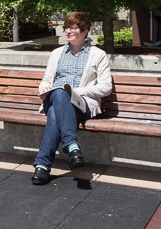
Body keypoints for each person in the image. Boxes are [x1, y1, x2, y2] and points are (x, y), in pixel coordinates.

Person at [31, 11, 112, 185]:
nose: (68, 31)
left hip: (82, 104)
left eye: (73, 27)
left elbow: (106, 87)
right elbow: (47, 79)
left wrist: (76, 91)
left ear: (85, 31)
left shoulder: (98, 54)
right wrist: (44, 87)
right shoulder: (57, 53)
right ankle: (72, 146)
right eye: (66, 27)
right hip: (55, 98)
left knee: (55, 112)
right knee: (59, 93)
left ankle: (42, 166)